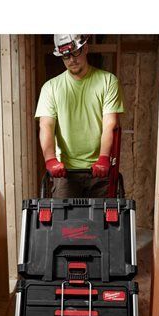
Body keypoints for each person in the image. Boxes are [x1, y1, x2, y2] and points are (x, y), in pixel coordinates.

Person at [35, 34, 124, 198]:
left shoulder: (107, 81)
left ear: (86, 48)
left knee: (104, 215)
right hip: (66, 173)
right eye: (66, 56)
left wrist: (104, 157)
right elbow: (46, 125)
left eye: (75, 52)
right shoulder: (50, 88)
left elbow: (110, 124)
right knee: (63, 215)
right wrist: (50, 159)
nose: (71, 60)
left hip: (99, 170)